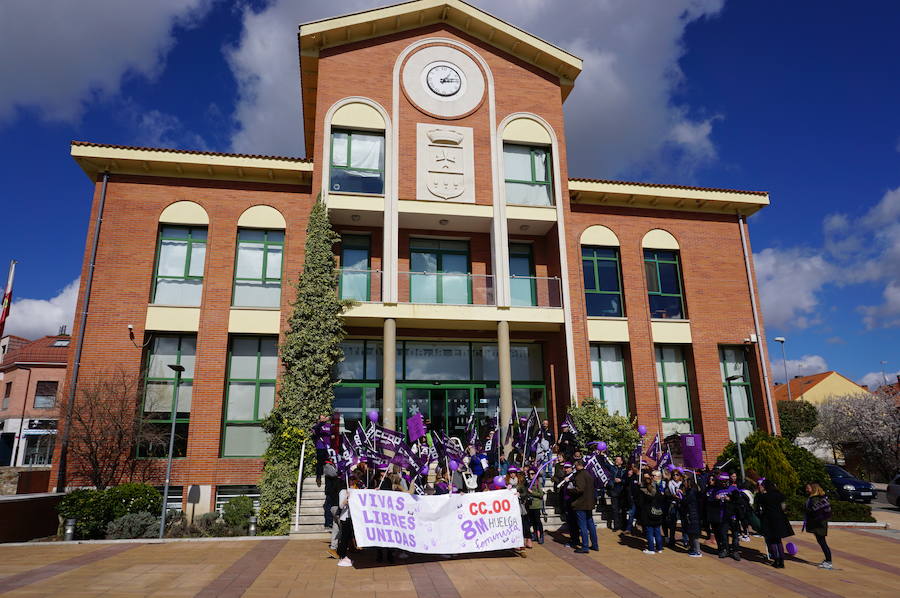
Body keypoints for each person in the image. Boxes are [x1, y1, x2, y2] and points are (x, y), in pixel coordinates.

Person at [755, 478, 794, 569]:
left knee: (772, 541)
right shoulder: (778, 495)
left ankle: (776, 560)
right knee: (778, 540)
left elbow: (758, 501)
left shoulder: (764, 496)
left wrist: (760, 492)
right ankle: (781, 561)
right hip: (779, 519)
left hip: (769, 520)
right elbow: (782, 499)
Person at [336, 473, 364, 567]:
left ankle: (344, 553)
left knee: (349, 537)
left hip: (353, 517)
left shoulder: (356, 490)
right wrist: (347, 499)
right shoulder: (343, 491)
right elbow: (341, 506)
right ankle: (342, 555)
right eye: (351, 479)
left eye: (354, 479)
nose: (352, 481)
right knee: (344, 537)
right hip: (345, 517)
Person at [571, 459, 599, 553]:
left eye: (575, 466)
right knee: (590, 524)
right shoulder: (588, 474)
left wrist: (570, 489)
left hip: (581, 503)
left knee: (583, 525)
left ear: (579, 465)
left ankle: (585, 546)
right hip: (589, 503)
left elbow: (580, 489)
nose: (574, 467)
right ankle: (595, 545)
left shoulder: (580, 475)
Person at [804, 482, 833, 569]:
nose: (806, 489)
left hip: (819, 525)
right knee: (822, 542)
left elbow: (815, 511)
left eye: (808, 488)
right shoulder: (819, 498)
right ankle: (828, 560)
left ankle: (828, 561)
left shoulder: (815, 499)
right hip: (820, 524)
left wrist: (808, 512)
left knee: (823, 543)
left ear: (813, 489)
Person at [639, 472, 665, 554]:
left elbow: (640, 503)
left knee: (649, 532)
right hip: (657, 513)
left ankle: (651, 549)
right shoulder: (658, 491)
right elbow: (661, 500)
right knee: (657, 531)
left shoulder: (643, 491)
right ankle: (659, 548)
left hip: (648, 514)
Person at [556, 462, 580, 548]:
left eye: (568, 468)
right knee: (570, 523)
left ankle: (575, 540)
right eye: (565, 468)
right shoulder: (564, 477)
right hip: (566, 502)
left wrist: (570, 480)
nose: (566, 469)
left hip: (572, 502)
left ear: (571, 468)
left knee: (573, 523)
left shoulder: (574, 476)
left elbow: (576, 488)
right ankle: (574, 539)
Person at [680, 475, 703, 557]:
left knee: (694, 534)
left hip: (692, 514)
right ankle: (693, 549)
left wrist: (681, 496)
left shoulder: (692, 492)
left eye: (685, 482)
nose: (684, 484)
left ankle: (697, 551)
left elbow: (686, 501)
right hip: (691, 513)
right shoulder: (691, 491)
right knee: (691, 533)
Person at [525, 468, 545, 544]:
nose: (531, 475)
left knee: (537, 521)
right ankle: (536, 535)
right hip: (530, 505)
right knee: (532, 521)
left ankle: (541, 536)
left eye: (532, 474)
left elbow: (541, 494)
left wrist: (532, 492)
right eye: (529, 474)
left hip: (536, 505)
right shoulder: (528, 482)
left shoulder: (538, 483)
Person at [607, 456, 626, 531]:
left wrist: (621, 480)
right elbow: (605, 464)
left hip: (622, 492)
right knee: (614, 509)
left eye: (618, 460)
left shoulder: (625, 470)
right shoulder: (612, 468)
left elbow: (627, 480)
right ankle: (616, 526)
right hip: (614, 491)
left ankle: (623, 525)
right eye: (616, 459)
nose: (616, 461)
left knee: (622, 510)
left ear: (621, 462)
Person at [312, 414, 331, 486]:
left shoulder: (329, 426)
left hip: (328, 448)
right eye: (322, 418)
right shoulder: (318, 426)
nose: (323, 419)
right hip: (320, 447)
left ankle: (329, 479)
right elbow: (315, 429)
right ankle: (318, 477)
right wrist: (323, 422)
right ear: (319, 419)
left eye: (324, 418)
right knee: (319, 463)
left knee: (329, 463)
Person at [323, 458, 340, 529]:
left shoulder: (334, 465)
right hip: (330, 491)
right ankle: (328, 523)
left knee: (334, 507)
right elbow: (333, 474)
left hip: (335, 491)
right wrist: (340, 471)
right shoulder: (327, 465)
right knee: (328, 507)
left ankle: (333, 522)